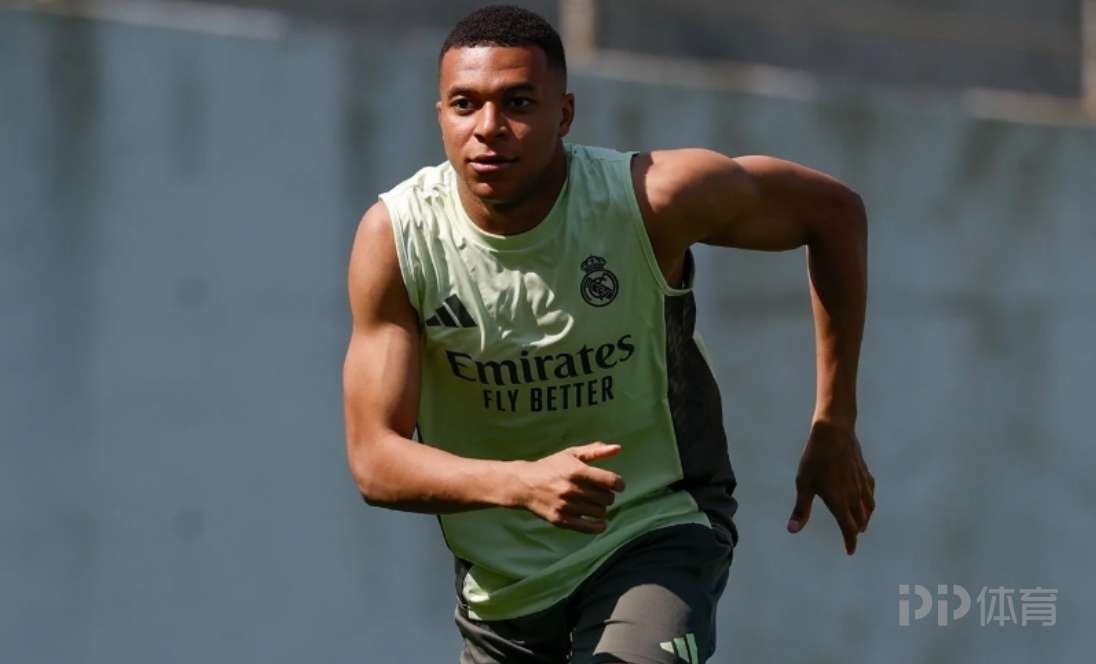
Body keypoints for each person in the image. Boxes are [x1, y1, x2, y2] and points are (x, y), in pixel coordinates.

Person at [342, 5, 874, 663]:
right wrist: (521, 483)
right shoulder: (398, 240)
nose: (488, 128)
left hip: (655, 531)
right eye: (464, 104)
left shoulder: (651, 200)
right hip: (501, 595)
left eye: (518, 103)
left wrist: (835, 423)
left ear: (564, 114)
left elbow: (833, 213)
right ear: (441, 116)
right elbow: (374, 458)